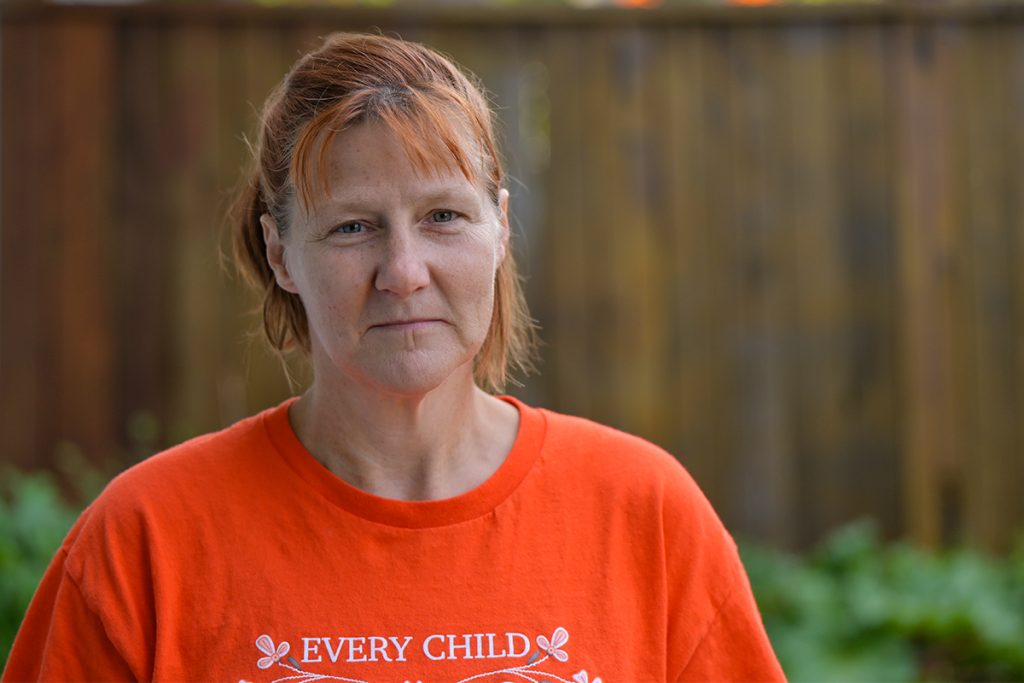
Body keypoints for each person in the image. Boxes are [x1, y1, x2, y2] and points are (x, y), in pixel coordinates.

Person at [3, 33, 784, 683]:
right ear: (280, 253)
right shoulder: (146, 541)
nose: (403, 271)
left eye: (443, 215)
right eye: (352, 227)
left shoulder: (646, 515)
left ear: (500, 227)